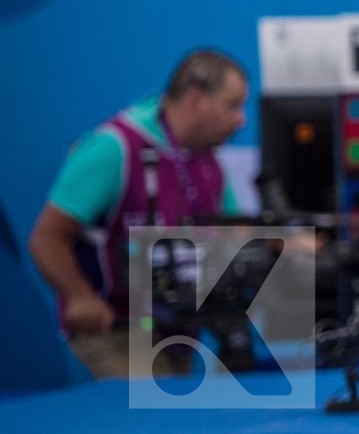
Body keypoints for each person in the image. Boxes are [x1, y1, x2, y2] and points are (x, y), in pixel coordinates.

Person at [27, 49, 248, 380]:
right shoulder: (113, 148)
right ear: (196, 99)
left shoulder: (207, 160)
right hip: (117, 328)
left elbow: (231, 231)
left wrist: (284, 244)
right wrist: (78, 297)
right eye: (232, 105)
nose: (241, 119)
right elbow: (46, 237)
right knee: (156, 417)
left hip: (179, 331)